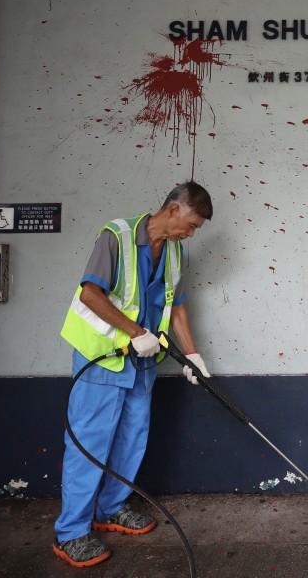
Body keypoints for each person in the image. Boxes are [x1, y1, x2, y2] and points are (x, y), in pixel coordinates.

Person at [52, 181, 214, 568]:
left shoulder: (173, 252)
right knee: (89, 445)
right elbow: (90, 293)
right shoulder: (117, 236)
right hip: (103, 360)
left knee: (131, 440)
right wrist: (136, 332)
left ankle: (110, 509)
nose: (191, 234)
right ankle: (71, 532)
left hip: (141, 364)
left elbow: (176, 306)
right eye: (191, 225)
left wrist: (191, 353)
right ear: (173, 210)